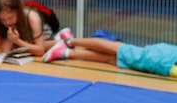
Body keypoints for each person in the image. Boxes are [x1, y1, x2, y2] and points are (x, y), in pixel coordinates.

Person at [42, 35, 177, 77]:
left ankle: (66, 52)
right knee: (116, 48)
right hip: (162, 60)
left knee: (112, 59)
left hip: (163, 64)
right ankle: (69, 41)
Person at [0, 0, 69, 57]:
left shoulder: (33, 18)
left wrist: (17, 41)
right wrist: (12, 40)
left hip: (47, 28)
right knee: (19, 46)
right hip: (26, 35)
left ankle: (62, 40)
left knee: (32, 45)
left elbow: (40, 51)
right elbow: (6, 50)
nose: (7, 22)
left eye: (10, 18)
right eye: (3, 20)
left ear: (18, 12)